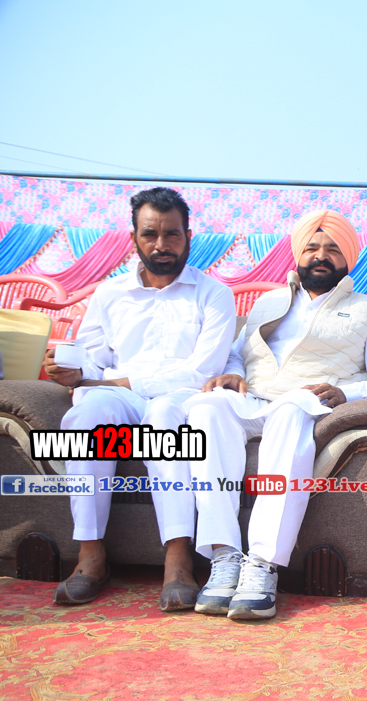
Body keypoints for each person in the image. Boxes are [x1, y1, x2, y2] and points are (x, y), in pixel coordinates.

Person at [186, 209, 367, 620]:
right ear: (298, 255)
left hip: (307, 403)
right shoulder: (266, 303)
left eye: (332, 249)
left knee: (290, 409)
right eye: (312, 247)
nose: (320, 256)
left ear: (348, 258)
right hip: (255, 399)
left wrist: (346, 391)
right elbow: (237, 352)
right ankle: (224, 555)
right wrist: (233, 373)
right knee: (206, 407)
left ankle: (262, 564)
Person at [42, 187, 236, 610]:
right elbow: (93, 359)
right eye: (150, 234)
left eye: (172, 234)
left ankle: (178, 559)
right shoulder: (109, 294)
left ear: (188, 237)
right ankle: (90, 556)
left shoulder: (214, 293)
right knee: (89, 412)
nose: (161, 244)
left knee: (163, 413)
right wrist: (73, 371)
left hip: (182, 399)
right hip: (120, 398)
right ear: (134, 238)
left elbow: (201, 371)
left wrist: (113, 381)